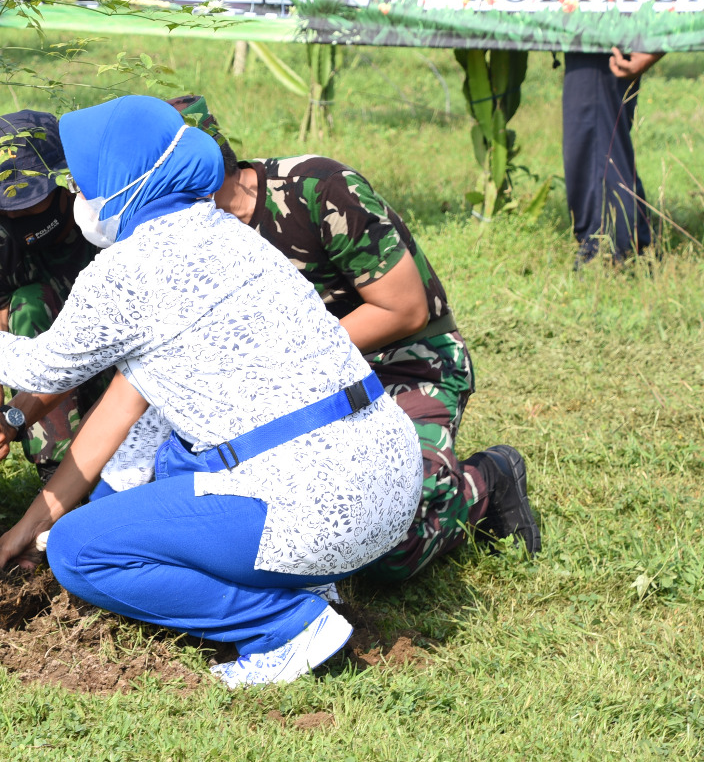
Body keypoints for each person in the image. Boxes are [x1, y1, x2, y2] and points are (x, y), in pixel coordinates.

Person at [0, 95, 425, 686]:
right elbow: (124, 408)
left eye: (89, 183)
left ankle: (284, 623)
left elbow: (46, 369)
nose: (83, 201)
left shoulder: (125, 272)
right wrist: (30, 523)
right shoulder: (234, 236)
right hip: (393, 480)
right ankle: (308, 577)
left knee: (78, 549)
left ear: (123, 186)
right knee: (166, 459)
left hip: (313, 509)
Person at [167, 95, 540, 582]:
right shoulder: (188, 239)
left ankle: (485, 480)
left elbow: (404, 308)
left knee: (388, 543)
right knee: (302, 528)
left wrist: (285, 362)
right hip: (301, 392)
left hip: (406, 365)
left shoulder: (316, 189)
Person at [0, 110, 109, 539]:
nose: (15, 218)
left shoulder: (105, 232)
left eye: (27, 201)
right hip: (45, 385)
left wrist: (12, 418)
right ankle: (59, 477)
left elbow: (92, 348)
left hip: (118, 373)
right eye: (2, 206)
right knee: (27, 303)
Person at [563, 48, 663, 268]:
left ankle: (612, 252)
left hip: (604, 38)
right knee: (603, 137)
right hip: (593, 32)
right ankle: (628, 246)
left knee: (596, 137)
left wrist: (655, 50)